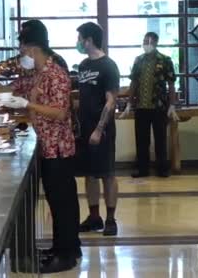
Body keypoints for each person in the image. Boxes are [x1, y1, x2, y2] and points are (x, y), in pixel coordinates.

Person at [0, 20, 80, 273]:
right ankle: (62, 247)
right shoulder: (37, 73)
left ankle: (66, 255)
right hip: (45, 146)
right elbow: (17, 90)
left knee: (62, 201)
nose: (21, 56)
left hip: (58, 147)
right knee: (57, 202)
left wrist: (27, 105)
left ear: (32, 49)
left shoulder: (55, 73)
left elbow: (59, 112)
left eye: (22, 51)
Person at [75, 22, 121, 236]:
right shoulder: (83, 65)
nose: (78, 42)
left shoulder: (108, 66)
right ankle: (94, 217)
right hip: (83, 128)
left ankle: (111, 219)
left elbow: (110, 101)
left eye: (80, 38)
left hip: (102, 130)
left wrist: (99, 129)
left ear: (89, 40)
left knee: (107, 174)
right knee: (89, 175)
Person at [119, 32, 178, 178]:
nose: (146, 44)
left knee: (160, 139)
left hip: (159, 106)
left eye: (149, 41)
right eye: (144, 41)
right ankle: (142, 169)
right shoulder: (138, 60)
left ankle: (162, 169)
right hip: (141, 106)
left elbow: (171, 84)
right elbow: (133, 83)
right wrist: (128, 104)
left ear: (156, 42)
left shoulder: (165, 60)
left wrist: (172, 105)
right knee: (141, 140)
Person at [0, 20, 68, 80]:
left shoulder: (57, 66)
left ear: (32, 47)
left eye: (22, 45)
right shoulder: (24, 61)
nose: (20, 50)